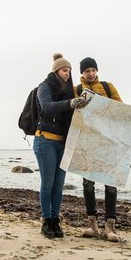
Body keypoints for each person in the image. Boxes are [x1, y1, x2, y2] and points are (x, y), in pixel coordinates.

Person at [78, 57, 131, 242]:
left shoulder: (107, 87)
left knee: (111, 183)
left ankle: (110, 226)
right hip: (88, 142)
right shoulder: (76, 90)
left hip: (109, 142)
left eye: (93, 70)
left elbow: (119, 108)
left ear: (97, 71)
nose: (90, 73)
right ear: (82, 73)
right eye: (87, 71)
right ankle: (92, 223)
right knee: (88, 185)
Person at [34, 53, 87, 239]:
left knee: (59, 185)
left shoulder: (69, 91)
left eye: (69, 71)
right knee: (47, 183)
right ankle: (46, 221)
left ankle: (55, 220)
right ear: (56, 70)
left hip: (62, 143)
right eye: (65, 70)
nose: (67, 73)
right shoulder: (44, 87)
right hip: (45, 141)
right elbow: (47, 107)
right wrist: (71, 103)